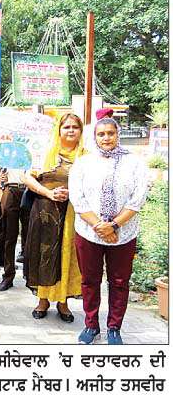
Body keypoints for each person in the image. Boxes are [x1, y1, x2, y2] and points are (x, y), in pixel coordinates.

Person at [69, 118, 149, 345]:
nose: (106, 138)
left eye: (110, 133)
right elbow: (78, 198)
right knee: (90, 280)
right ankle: (91, 325)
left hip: (124, 233)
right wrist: (100, 226)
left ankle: (114, 328)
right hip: (88, 232)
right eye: (101, 134)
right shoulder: (83, 163)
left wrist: (114, 226)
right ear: (94, 137)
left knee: (120, 281)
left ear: (118, 134)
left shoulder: (134, 162)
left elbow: (138, 198)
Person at [23, 113, 86, 324]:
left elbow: (93, 183)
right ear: (59, 130)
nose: (71, 130)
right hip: (44, 211)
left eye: (75, 127)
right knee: (44, 253)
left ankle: (63, 302)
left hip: (72, 214)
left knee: (66, 255)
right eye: (66, 127)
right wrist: (48, 193)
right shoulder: (45, 152)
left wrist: (73, 192)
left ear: (81, 131)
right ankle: (42, 300)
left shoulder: (86, 156)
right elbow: (27, 177)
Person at [0, 168, 30, 291]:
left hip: (30, 190)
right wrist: (1, 187)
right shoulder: (7, 156)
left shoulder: (36, 154)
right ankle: (8, 276)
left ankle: (30, 276)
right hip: (11, 189)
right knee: (9, 237)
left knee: (30, 236)